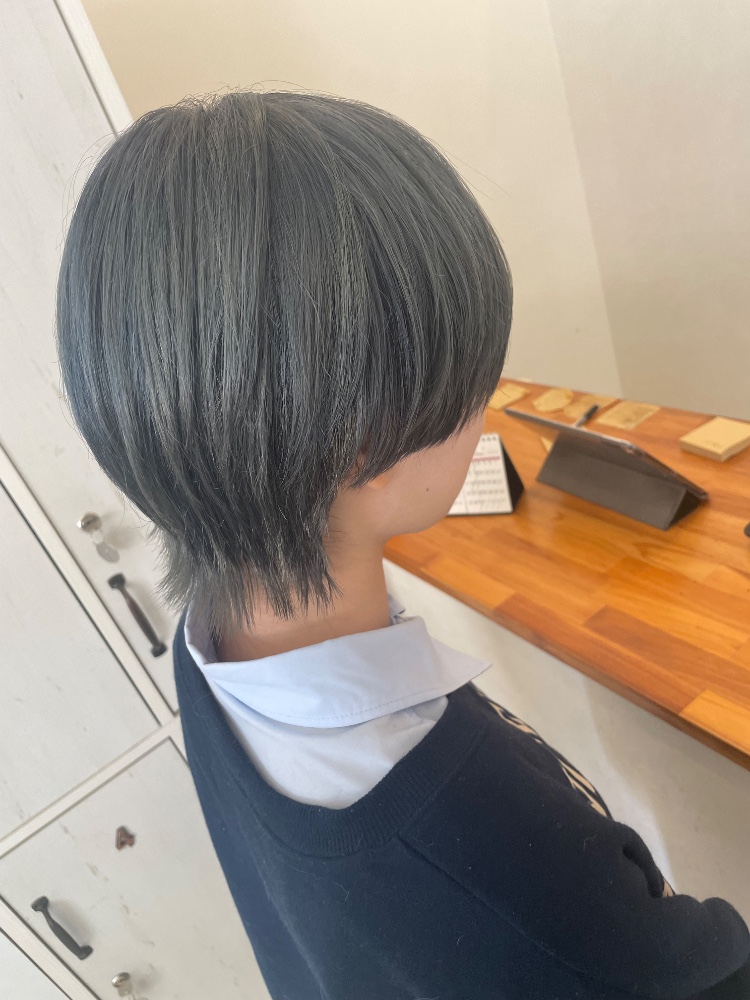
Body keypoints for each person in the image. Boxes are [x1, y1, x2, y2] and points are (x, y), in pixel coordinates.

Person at [55, 88, 750, 999]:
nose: (486, 406)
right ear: (367, 445)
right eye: (476, 384)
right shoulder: (512, 867)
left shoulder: (208, 647)